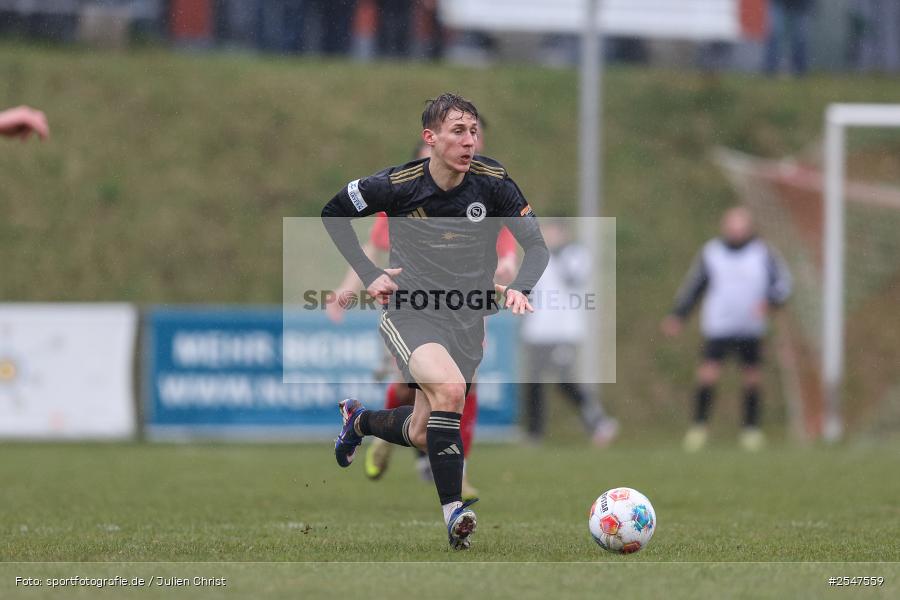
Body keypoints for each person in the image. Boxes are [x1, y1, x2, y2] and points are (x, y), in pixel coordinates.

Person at [321, 93, 549, 549]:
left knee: (425, 430)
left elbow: (537, 247)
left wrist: (520, 290)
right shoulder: (397, 185)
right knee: (449, 391)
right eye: (458, 132)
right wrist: (369, 276)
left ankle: (359, 421)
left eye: (474, 131)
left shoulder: (494, 182)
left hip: (468, 320)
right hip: (411, 312)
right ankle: (454, 515)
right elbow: (334, 213)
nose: (470, 141)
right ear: (431, 138)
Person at [326, 125, 517, 501]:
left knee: (460, 390)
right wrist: (349, 287)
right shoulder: (403, 197)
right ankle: (389, 437)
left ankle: (447, 466)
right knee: (408, 388)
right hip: (411, 310)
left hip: (465, 312)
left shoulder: (484, 194)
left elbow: (507, 245)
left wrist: (507, 271)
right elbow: (374, 246)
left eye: (472, 143)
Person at [661, 207, 792, 452]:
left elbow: (783, 285)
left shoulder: (763, 253)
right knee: (707, 375)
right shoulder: (712, 253)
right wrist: (678, 315)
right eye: (732, 225)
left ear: (749, 227)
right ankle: (699, 428)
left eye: (741, 225)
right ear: (725, 227)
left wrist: (770, 302)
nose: (736, 230)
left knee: (752, 378)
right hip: (719, 326)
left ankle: (750, 431)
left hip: (750, 328)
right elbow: (695, 286)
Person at [520, 219, 618, 446]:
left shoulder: (576, 255)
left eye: (552, 232)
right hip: (537, 331)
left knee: (564, 381)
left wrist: (555, 253)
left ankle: (599, 421)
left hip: (564, 331)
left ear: (564, 233)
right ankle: (534, 433)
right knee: (533, 382)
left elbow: (572, 279)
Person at [763, 0, 816, 77]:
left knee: (800, 36)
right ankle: (771, 69)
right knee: (775, 32)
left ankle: (799, 69)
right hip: (778, 3)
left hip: (800, 5)